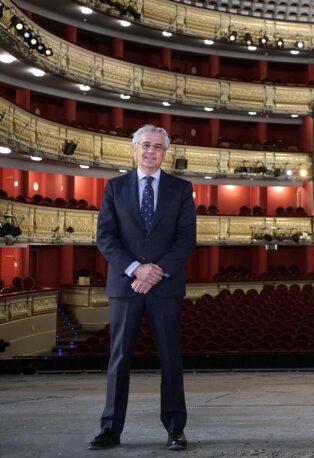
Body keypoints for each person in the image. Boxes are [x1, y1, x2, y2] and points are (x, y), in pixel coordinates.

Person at [88, 125, 196, 451]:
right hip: (125, 285)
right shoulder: (114, 187)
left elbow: (185, 238)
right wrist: (137, 268)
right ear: (134, 149)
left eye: (158, 147)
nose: (151, 151)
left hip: (164, 286)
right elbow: (105, 237)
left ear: (165, 153)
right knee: (119, 359)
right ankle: (110, 429)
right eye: (146, 145)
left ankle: (175, 428)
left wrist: (155, 271)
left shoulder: (180, 188)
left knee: (170, 359)